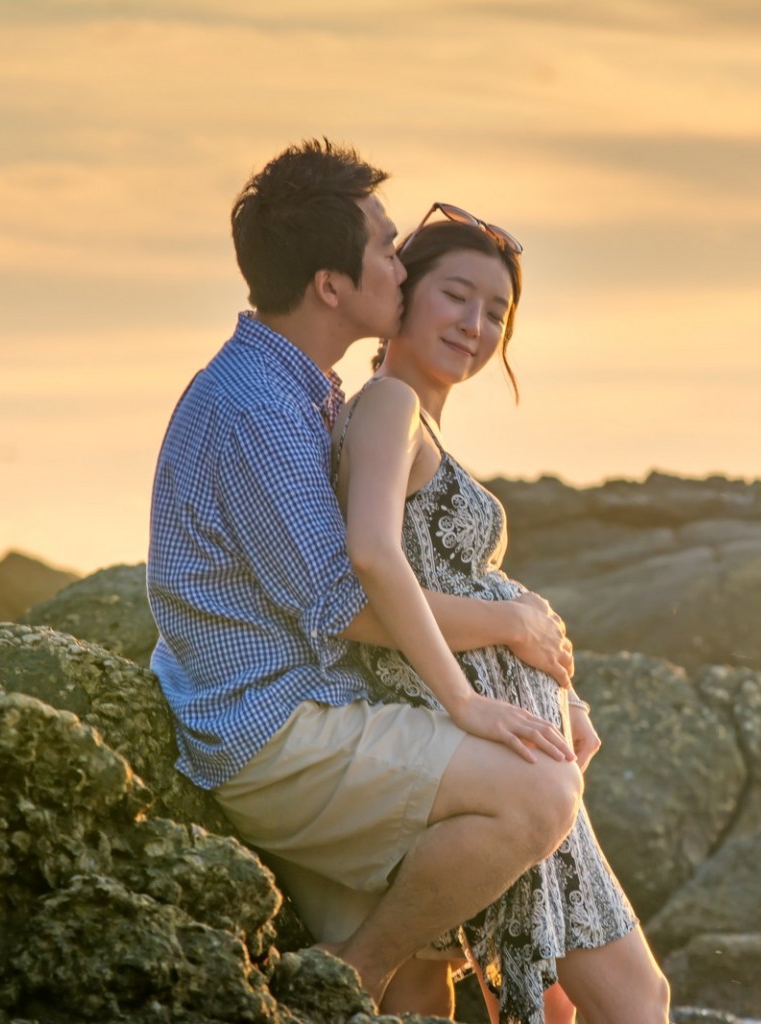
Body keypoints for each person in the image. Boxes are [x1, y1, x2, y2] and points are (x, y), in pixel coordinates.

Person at [147, 139, 588, 1011]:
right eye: (387, 247)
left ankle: (378, 967)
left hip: (302, 713)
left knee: (430, 984)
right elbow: (346, 600)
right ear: (329, 285)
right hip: (271, 730)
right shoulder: (258, 411)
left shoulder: (299, 389)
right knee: (540, 794)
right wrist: (498, 646)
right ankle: (352, 971)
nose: (402, 263)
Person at [330, 205, 670, 1022]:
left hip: (516, 753)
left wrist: (562, 687)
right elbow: (371, 564)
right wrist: (514, 628)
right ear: (402, 293)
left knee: (529, 1006)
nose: (476, 326)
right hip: (478, 755)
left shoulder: (422, 426)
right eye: (458, 295)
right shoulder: (387, 407)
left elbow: (441, 570)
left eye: (497, 313)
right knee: (634, 1002)